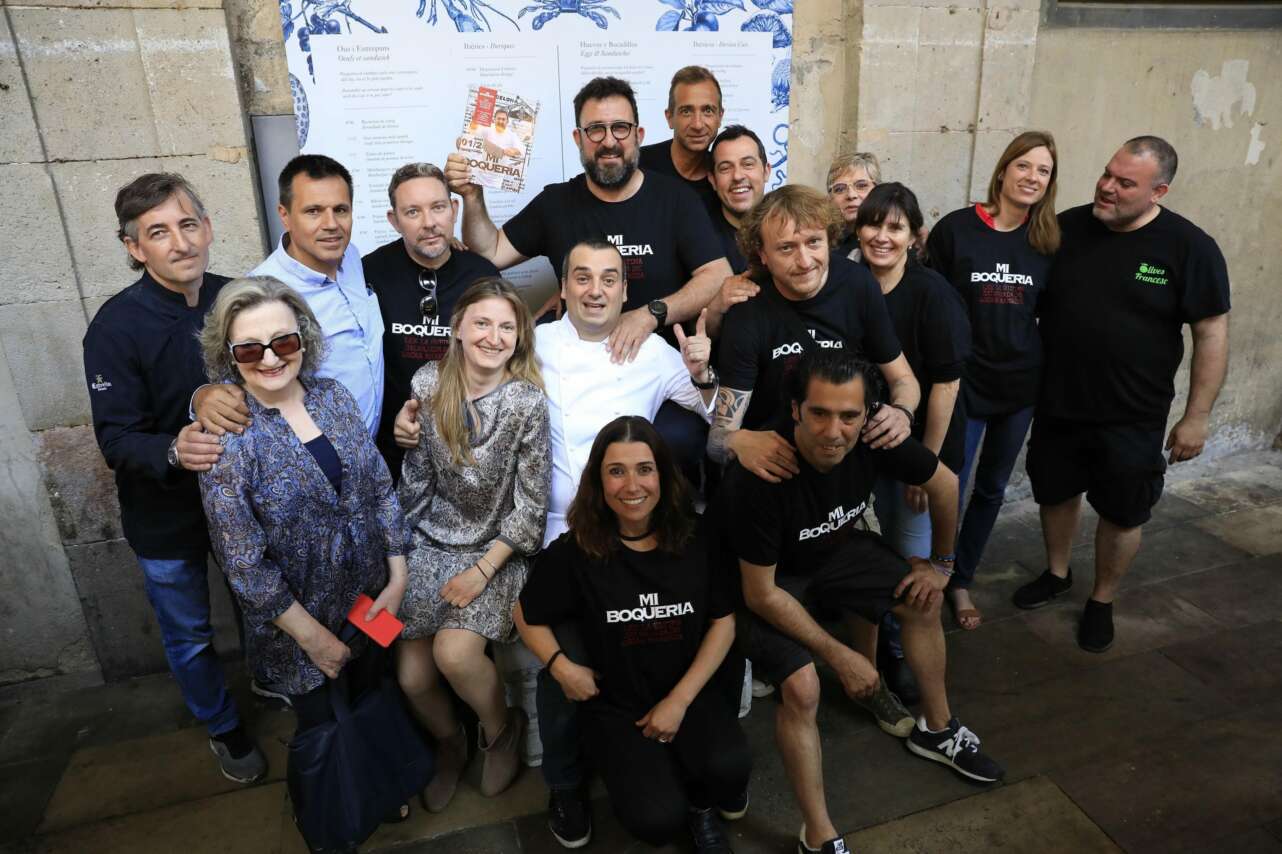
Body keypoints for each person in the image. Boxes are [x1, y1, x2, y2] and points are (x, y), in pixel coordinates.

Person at [393, 238, 718, 847]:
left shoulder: (650, 350)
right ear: (562, 289)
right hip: (552, 539)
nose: (596, 290)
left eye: (610, 279)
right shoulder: (530, 343)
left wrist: (706, 374)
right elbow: (459, 387)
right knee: (560, 661)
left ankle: (683, 763)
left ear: (626, 291)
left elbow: (716, 421)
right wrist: (409, 420)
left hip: (628, 534)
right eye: (582, 278)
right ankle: (566, 786)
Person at [722, 350, 1004, 854]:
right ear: (795, 411)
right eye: (820, 414)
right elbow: (760, 594)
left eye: (849, 415)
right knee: (805, 687)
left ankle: (936, 729)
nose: (835, 431)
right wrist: (842, 657)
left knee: (920, 599)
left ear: (868, 413)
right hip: (761, 584)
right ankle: (819, 833)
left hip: (833, 552)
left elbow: (945, 483)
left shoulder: (875, 434)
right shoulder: (762, 472)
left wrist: (941, 565)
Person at [195, 277, 409, 825]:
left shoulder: (333, 397)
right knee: (322, 729)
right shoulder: (226, 438)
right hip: (296, 627)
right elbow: (244, 565)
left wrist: (397, 576)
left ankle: (382, 785)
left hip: (369, 601)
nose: (270, 359)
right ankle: (336, 816)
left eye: (283, 342)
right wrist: (315, 641)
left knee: (373, 698)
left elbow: (379, 488)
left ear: (304, 341)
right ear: (229, 356)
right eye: (250, 349)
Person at [83, 173, 267, 783]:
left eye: (188, 225)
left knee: (259, 606)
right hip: (165, 514)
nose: (180, 243)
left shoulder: (239, 299)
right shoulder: (115, 326)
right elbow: (116, 438)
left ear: (208, 228)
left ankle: (270, 684)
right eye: (158, 232)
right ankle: (222, 725)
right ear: (135, 248)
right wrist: (173, 448)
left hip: (244, 503)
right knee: (189, 634)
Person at [1015, 136, 1231, 652]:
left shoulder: (1189, 248)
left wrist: (1197, 416)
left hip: (1133, 413)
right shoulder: (1066, 227)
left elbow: (1211, 333)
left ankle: (1102, 600)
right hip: (1060, 402)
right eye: (1107, 173)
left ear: (1159, 191)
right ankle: (1057, 572)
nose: (1107, 187)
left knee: (1123, 510)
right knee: (1055, 491)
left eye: (1124, 182)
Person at [516, 416, 750, 854]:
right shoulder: (578, 549)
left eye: (644, 469)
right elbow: (525, 613)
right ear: (598, 482)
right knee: (655, 820)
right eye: (616, 471)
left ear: (662, 474)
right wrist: (560, 666)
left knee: (731, 769)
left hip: (689, 694)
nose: (631, 485)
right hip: (620, 708)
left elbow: (724, 621)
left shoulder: (697, 539)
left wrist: (678, 702)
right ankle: (665, 785)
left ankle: (701, 805)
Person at [395, 278, 551, 810]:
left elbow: (531, 504)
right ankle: (449, 742)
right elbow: (416, 483)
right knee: (412, 676)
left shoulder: (527, 401)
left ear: (519, 338)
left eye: (507, 327)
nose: (494, 336)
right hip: (429, 542)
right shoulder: (427, 383)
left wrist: (483, 570)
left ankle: (500, 729)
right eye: (482, 323)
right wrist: (398, 563)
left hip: (496, 549)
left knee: (454, 654)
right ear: (458, 328)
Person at [444, 75, 732, 364]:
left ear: (638, 135)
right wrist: (473, 196)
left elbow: (717, 275)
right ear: (578, 138)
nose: (609, 142)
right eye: (596, 130)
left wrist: (649, 315)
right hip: (574, 369)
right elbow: (489, 252)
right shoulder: (555, 203)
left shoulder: (676, 199)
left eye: (620, 128)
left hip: (659, 368)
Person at [926, 131, 1059, 630]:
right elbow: (931, 300)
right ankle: (937, 570)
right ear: (1003, 170)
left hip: (1021, 385)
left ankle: (961, 581)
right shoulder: (957, 230)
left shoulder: (1047, 242)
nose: (1031, 178)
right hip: (964, 383)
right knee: (951, 487)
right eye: (1024, 166)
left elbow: (1049, 313)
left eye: (1043, 171)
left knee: (992, 489)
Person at [709, 185, 920, 482]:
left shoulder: (858, 286)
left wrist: (902, 412)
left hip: (846, 465)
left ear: (829, 241)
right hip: (776, 470)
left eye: (813, 242)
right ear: (763, 254)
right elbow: (717, 439)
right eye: (786, 248)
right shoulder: (749, 310)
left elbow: (903, 379)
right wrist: (737, 441)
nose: (805, 261)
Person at [855, 182, 969, 703]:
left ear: (914, 236)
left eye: (895, 227)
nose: (882, 236)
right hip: (857, 441)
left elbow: (945, 384)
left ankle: (899, 649)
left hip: (917, 444)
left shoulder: (931, 295)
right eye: (873, 224)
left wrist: (927, 462)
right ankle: (867, 646)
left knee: (910, 554)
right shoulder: (846, 280)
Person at [190, 154, 385, 453]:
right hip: (312, 460)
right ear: (285, 214)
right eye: (314, 211)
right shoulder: (263, 294)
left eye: (341, 210)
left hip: (370, 452)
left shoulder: (353, 257)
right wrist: (203, 397)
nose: (331, 224)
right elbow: (234, 385)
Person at [362, 162, 499, 481]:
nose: (429, 223)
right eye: (412, 212)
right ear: (394, 221)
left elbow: (506, 359)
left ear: (453, 209)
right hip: (394, 453)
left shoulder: (482, 276)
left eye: (438, 208)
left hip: (469, 450)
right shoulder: (369, 274)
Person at [638, 65, 724, 212]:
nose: (697, 124)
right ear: (669, 117)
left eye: (707, 111)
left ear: (720, 117)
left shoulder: (725, 177)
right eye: (686, 111)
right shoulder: (638, 165)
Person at [707, 124, 769, 275]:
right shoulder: (699, 234)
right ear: (713, 180)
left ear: (766, 172)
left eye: (747, 164)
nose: (737, 176)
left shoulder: (786, 225)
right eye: (725, 168)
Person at [827, 153, 881, 259]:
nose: (851, 195)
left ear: (878, 190)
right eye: (840, 189)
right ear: (830, 198)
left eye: (861, 185)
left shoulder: (891, 239)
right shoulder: (824, 242)